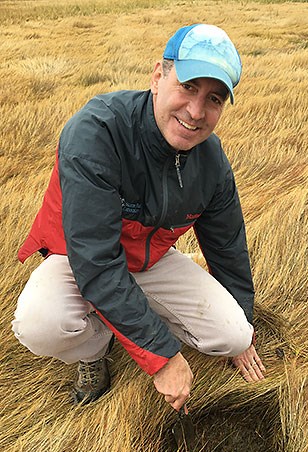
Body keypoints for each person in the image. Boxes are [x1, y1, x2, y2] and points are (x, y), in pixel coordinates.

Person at [12, 23, 265, 412]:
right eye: (187, 87)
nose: (196, 112)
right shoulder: (96, 133)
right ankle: (94, 350)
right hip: (78, 258)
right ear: (158, 76)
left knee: (232, 335)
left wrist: (245, 328)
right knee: (41, 323)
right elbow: (96, 261)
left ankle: (129, 317)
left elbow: (228, 249)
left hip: (151, 261)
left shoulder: (212, 163)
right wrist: (162, 358)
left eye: (213, 98)